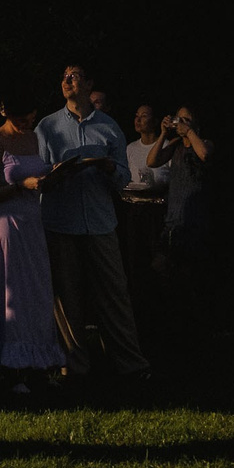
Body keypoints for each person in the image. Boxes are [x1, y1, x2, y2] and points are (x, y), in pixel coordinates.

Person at [35, 63, 150, 382]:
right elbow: (37, 173)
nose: (67, 81)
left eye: (74, 76)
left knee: (114, 294)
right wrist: (55, 174)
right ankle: (73, 366)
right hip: (61, 220)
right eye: (63, 77)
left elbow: (125, 177)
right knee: (65, 297)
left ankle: (131, 364)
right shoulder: (47, 127)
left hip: (99, 222)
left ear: (88, 84)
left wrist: (109, 169)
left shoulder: (109, 127)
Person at [0, 92, 66, 390]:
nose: (28, 123)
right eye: (22, 118)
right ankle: (9, 366)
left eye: (32, 118)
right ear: (5, 111)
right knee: (11, 293)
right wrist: (19, 186)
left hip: (31, 223)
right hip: (5, 223)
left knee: (35, 293)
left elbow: (35, 172)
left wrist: (49, 177)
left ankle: (36, 363)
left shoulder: (32, 139)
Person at [150, 104, 214, 347]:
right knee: (166, 279)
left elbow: (205, 155)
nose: (181, 123)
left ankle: (196, 333)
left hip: (195, 224)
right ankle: (173, 331)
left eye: (186, 120)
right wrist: (165, 134)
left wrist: (189, 132)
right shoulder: (175, 146)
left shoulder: (205, 142)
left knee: (192, 282)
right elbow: (153, 161)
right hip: (172, 224)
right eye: (179, 119)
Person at [125, 106, 168, 189]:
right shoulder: (130, 148)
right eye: (137, 116)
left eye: (144, 116)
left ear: (155, 121)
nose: (138, 120)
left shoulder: (166, 146)